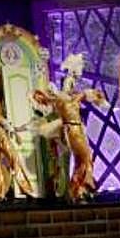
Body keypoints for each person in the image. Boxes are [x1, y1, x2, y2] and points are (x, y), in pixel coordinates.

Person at [30, 54, 108, 201]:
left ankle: (77, 190)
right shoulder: (62, 98)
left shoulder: (70, 98)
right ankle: (86, 184)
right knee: (86, 158)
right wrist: (41, 70)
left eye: (72, 82)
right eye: (69, 82)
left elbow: (88, 95)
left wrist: (99, 100)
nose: (71, 85)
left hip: (76, 129)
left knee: (81, 160)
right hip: (72, 130)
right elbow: (44, 97)